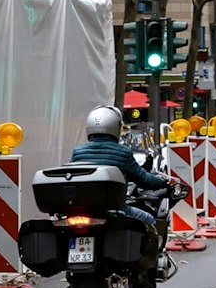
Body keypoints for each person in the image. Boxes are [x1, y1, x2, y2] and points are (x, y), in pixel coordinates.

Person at [70, 105, 174, 257]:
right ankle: (150, 263)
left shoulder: (78, 152)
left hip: (80, 211)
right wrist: (161, 181)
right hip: (115, 209)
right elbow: (144, 180)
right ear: (115, 128)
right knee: (149, 219)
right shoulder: (122, 153)